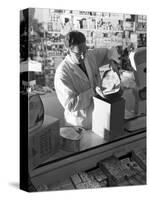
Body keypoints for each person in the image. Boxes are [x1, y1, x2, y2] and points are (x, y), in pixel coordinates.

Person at [54, 31, 120, 129]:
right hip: (79, 124)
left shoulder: (89, 55)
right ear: (68, 51)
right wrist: (93, 91)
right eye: (78, 53)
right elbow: (70, 105)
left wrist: (112, 61)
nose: (83, 56)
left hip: (97, 118)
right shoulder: (62, 73)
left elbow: (110, 50)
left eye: (84, 51)